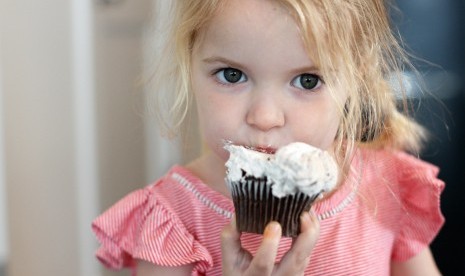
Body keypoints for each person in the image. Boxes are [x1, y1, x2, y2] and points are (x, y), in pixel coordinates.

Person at [92, 0, 445, 275]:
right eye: (232, 75)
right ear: (190, 61)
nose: (264, 117)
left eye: (307, 81)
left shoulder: (385, 187)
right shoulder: (173, 220)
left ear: (357, 81)